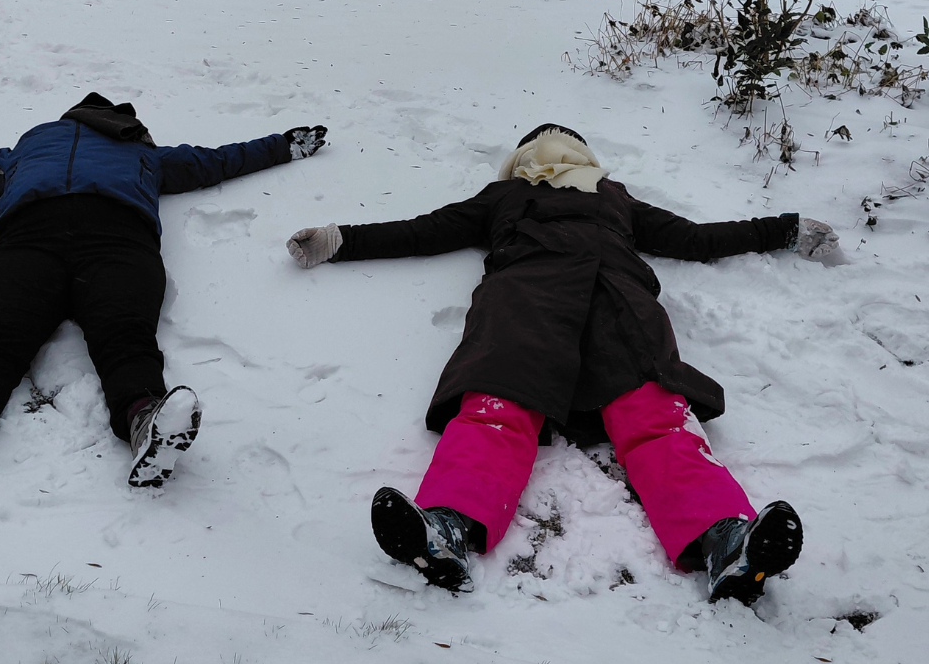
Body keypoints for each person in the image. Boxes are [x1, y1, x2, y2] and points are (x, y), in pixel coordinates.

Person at [287, 124, 838, 604]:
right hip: (536, 297)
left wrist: (783, 229)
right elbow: (426, 230)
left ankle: (727, 540)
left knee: (647, 414)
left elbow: (694, 239)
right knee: (502, 409)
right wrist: (340, 239)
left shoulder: (614, 197)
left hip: (608, 300)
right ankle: (445, 528)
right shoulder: (505, 196)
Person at [0, 94, 326, 502]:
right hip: (108, 241)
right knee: (115, 338)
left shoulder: (32, 150)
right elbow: (219, 159)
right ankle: (141, 418)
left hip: (39, 242)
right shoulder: (138, 153)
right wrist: (285, 144)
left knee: (2, 347)